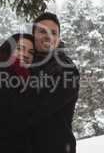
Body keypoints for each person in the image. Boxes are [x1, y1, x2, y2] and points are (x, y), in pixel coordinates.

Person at [27, 12, 80, 153]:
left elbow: (36, 110)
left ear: (58, 38)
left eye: (53, 32)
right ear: (33, 36)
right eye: (42, 31)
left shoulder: (66, 68)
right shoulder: (26, 65)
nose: (48, 36)